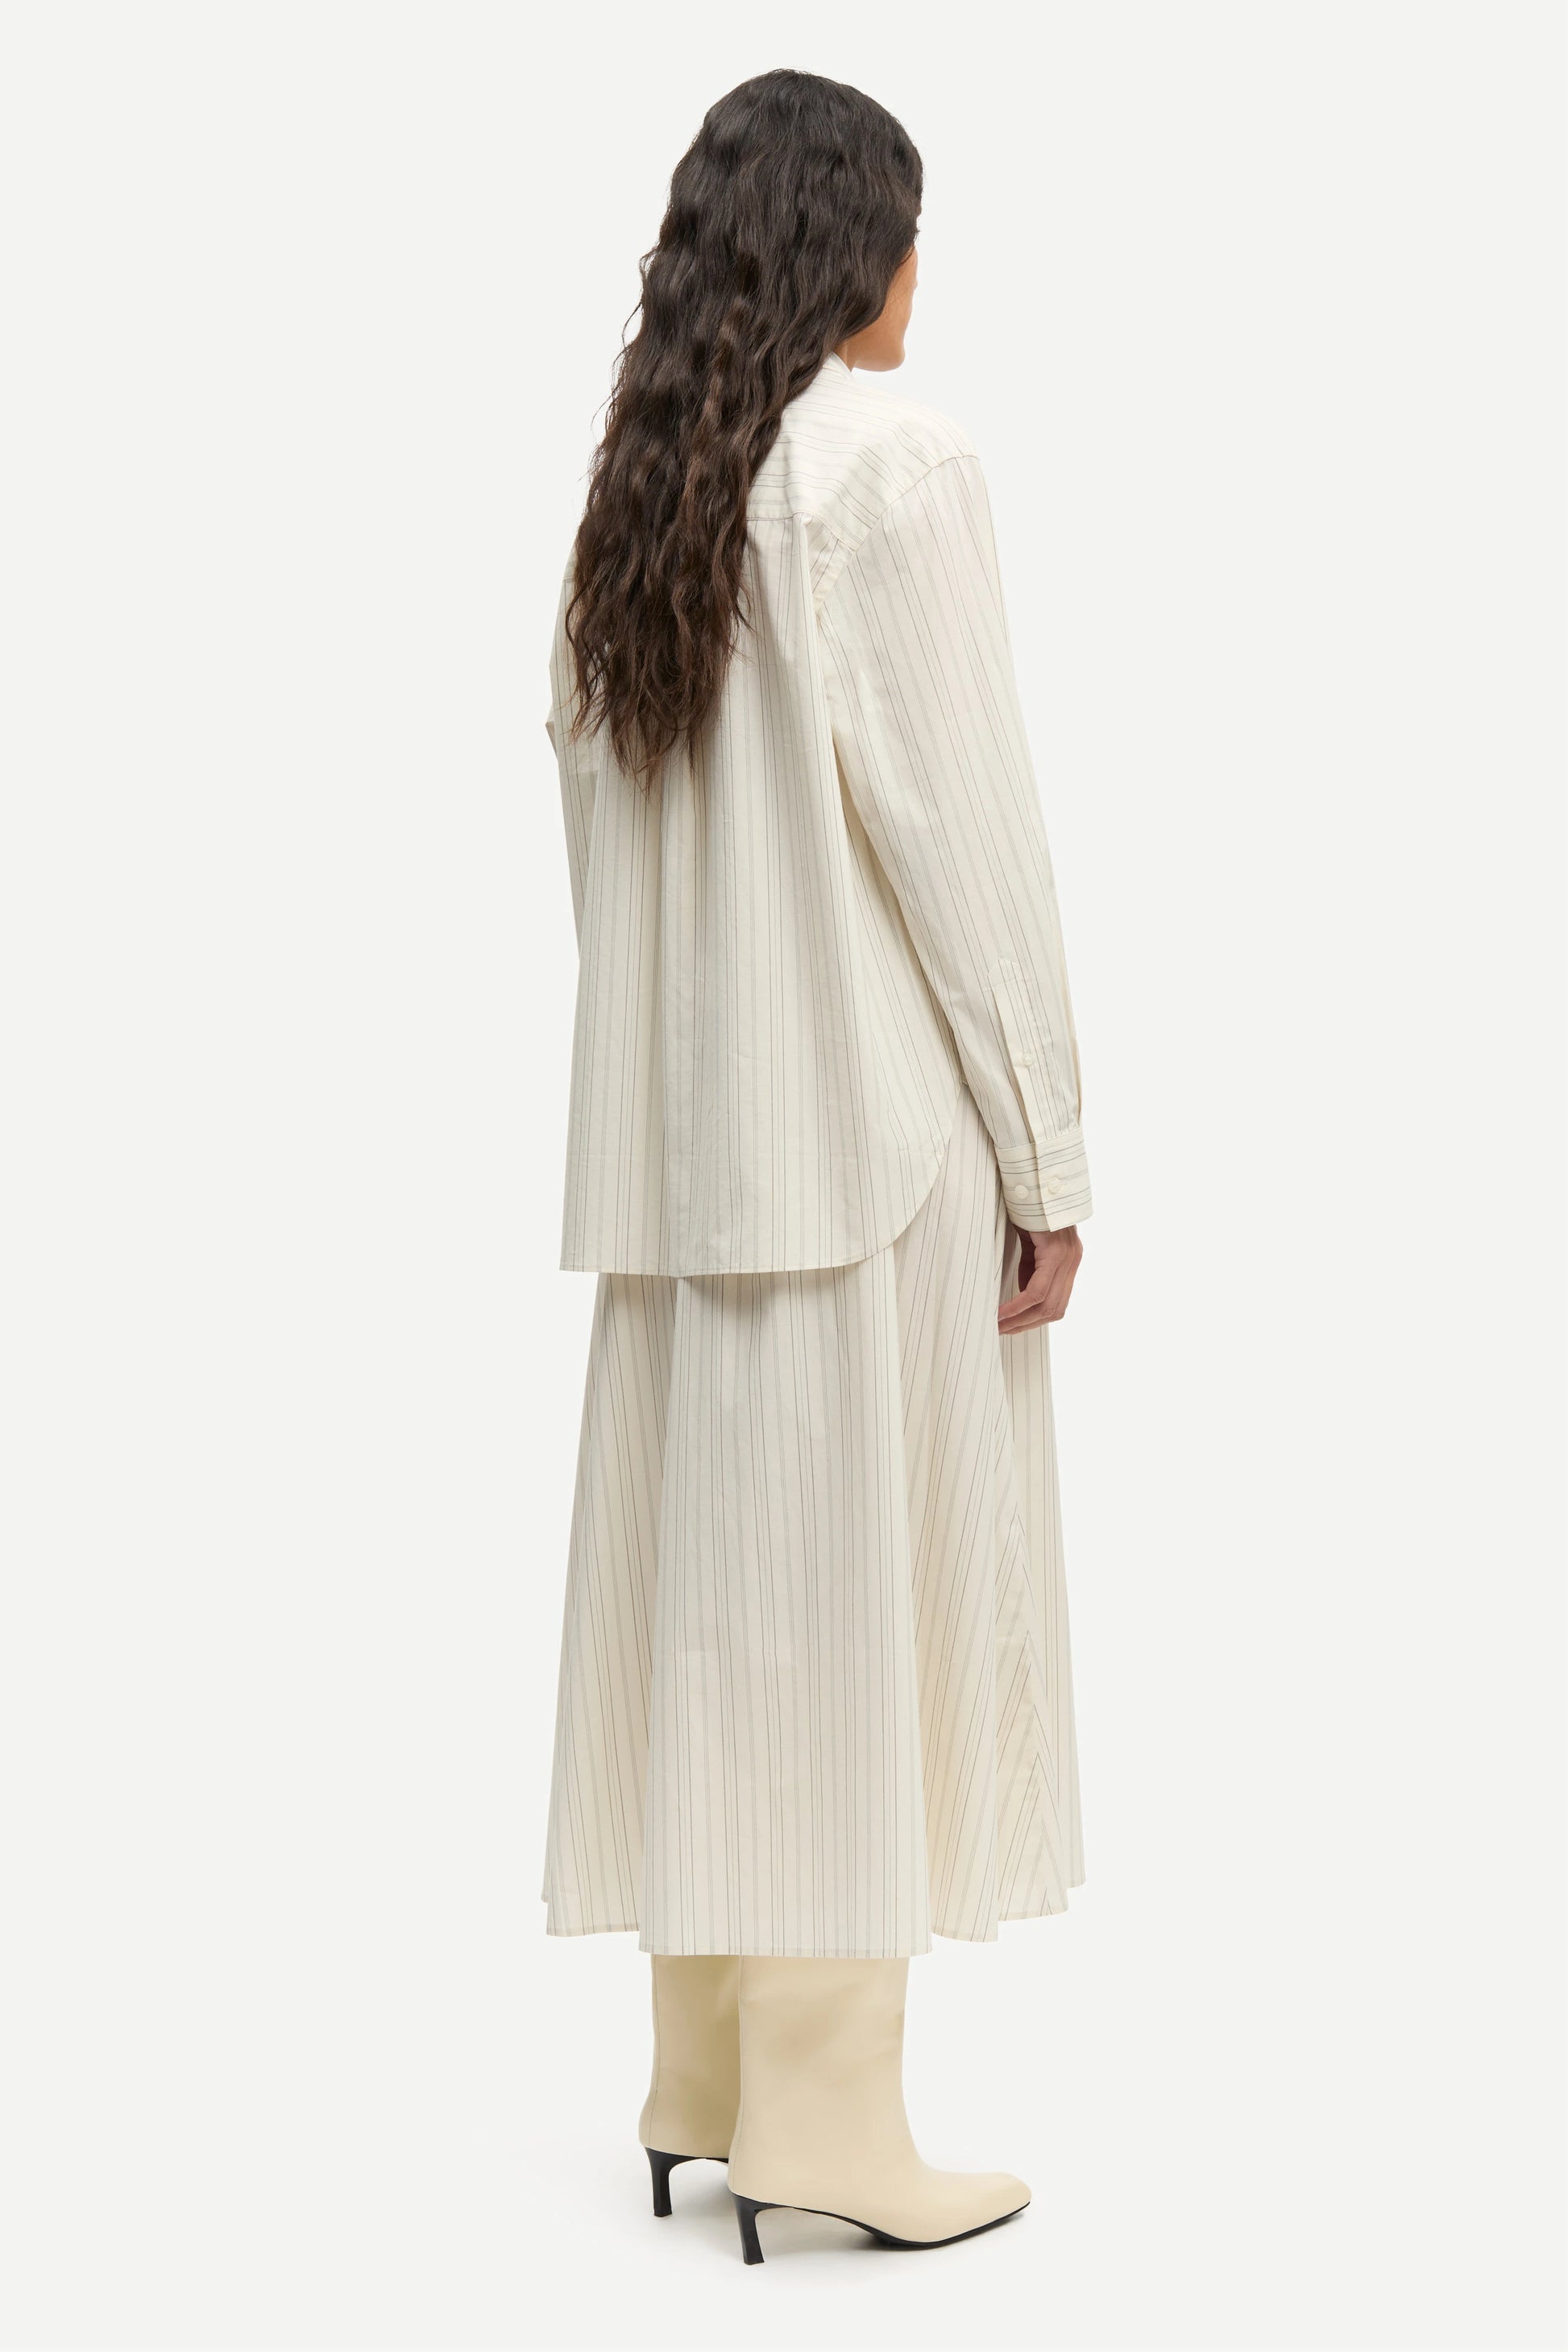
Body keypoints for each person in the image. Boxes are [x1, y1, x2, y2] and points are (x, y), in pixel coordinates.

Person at [541, 68, 1092, 2265]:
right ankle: (833, 2124)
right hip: (870, 1150)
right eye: (909, 228)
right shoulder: (889, 469)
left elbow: (606, 855)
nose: (921, 272)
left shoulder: (641, 496)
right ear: (855, 246)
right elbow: (969, 844)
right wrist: (1048, 1146)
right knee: (854, 1627)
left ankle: (703, 2080)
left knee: (720, 1611)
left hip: (686, 1160)